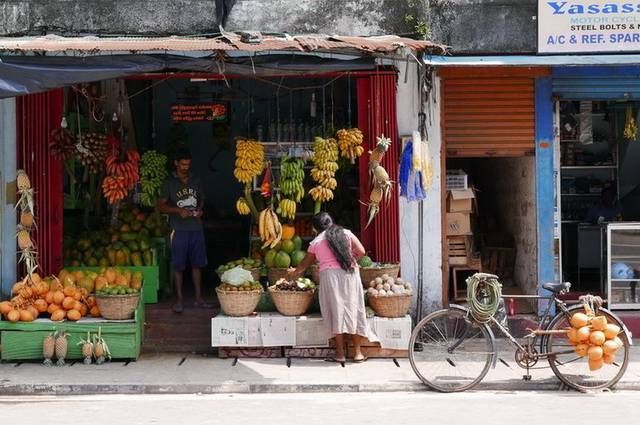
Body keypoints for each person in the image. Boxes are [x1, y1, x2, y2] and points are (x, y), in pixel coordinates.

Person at [288, 212, 374, 364]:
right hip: (350, 275)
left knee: (336, 312)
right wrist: (349, 260)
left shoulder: (316, 242)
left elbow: (302, 267)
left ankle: (340, 354)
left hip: (330, 278)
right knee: (354, 309)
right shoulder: (346, 233)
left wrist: (292, 273)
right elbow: (361, 251)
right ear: (331, 222)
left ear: (316, 228)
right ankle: (358, 353)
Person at [158, 149, 212, 313]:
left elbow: (201, 199)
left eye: (188, 164)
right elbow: (161, 206)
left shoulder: (196, 180)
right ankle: (179, 300)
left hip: (196, 228)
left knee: (197, 264)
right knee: (178, 266)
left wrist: (200, 210)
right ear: (176, 163)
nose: (185, 167)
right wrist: (177, 211)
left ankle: (198, 299)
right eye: (182, 164)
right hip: (178, 229)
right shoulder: (169, 182)